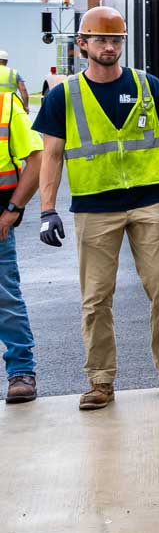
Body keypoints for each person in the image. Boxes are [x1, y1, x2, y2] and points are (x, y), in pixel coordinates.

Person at [35, 6, 159, 410]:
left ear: (124, 43)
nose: (109, 46)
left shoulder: (148, 85)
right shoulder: (64, 95)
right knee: (95, 300)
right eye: (101, 40)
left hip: (148, 204)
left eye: (116, 40)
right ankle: (101, 381)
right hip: (94, 209)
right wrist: (47, 210)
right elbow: (51, 156)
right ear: (83, 44)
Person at [0, 85, 43, 403]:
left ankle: (21, 372)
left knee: (5, 300)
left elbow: (37, 160)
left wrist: (11, 212)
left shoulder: (5, 105)